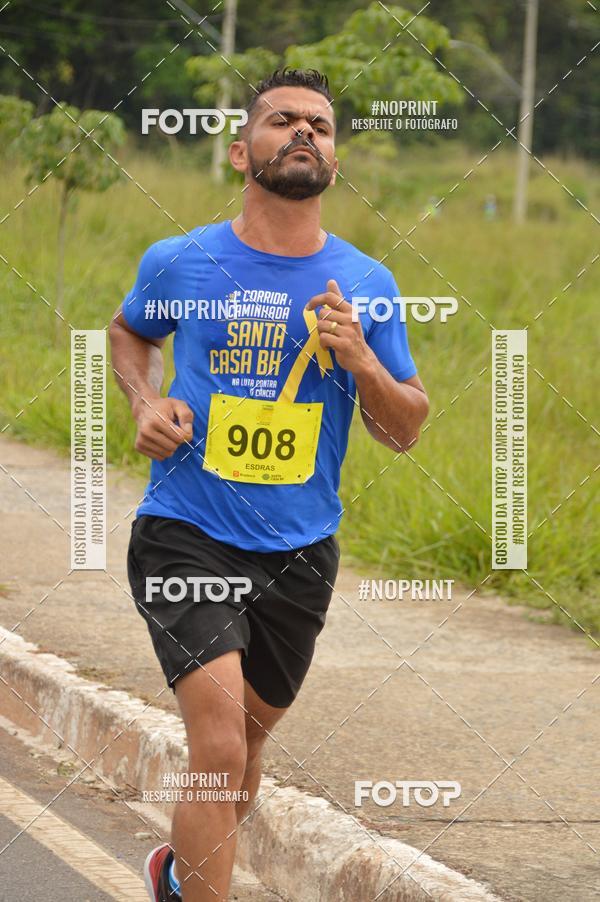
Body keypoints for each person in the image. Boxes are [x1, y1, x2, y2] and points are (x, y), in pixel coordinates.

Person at [109, 67, 429, 902]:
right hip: (186, 526)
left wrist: (360, 360)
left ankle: (177, 875)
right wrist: (145, 400)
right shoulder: (181, 261)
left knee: (243, 758)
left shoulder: (367, 287)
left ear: (334, 159)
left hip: (299, 550)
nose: (302, 132)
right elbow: (128, 331)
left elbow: (403, 431)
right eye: (282, 119)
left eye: (319, 126)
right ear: (238, 150)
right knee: (215, 750)